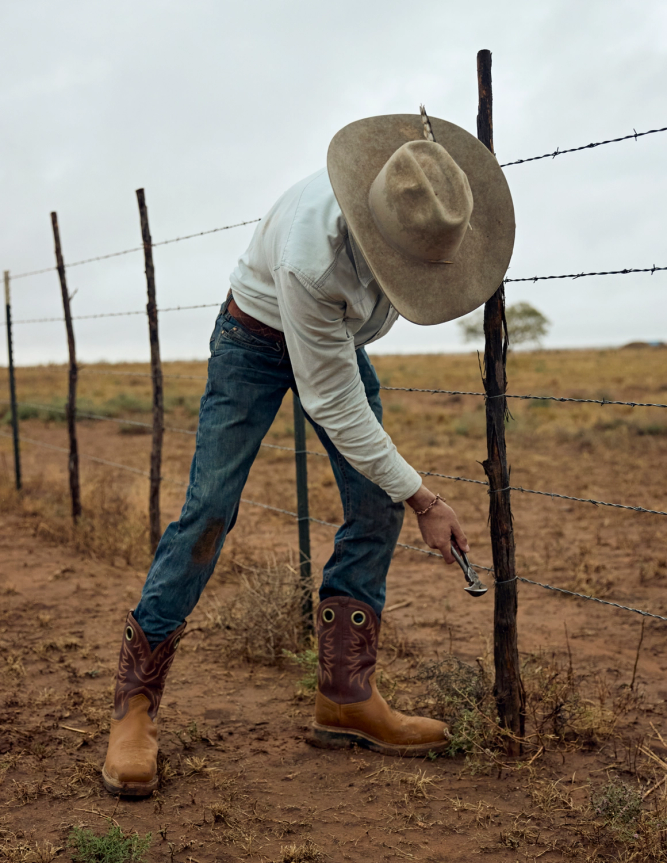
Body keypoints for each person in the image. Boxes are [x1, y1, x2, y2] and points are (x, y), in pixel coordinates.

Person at [102, 109, 515, 796]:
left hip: (335, 339)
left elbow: (340, 373)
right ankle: (134, 706)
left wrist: (400, 493)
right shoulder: (312, 254)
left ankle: (346, 697)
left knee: (374, 503)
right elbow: (336, 404)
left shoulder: (422, 204)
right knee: (209, 510)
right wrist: (425, 497)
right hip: (254, 339)